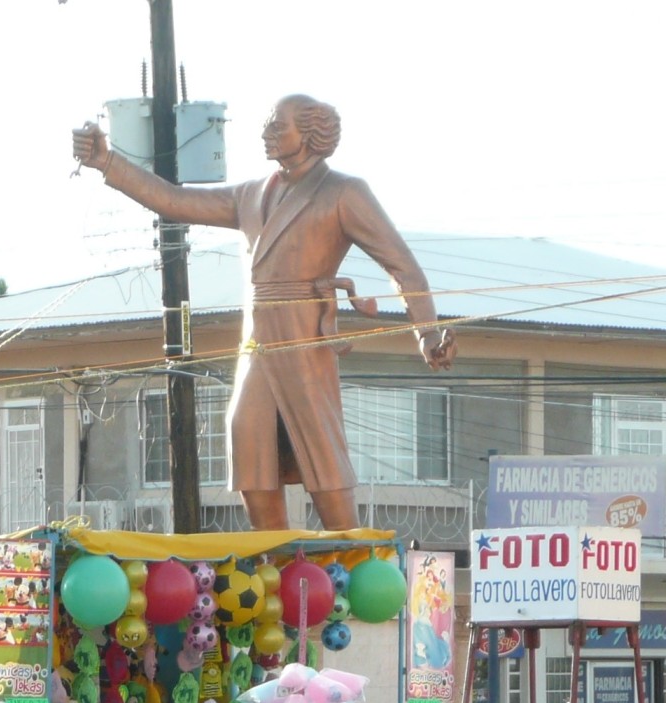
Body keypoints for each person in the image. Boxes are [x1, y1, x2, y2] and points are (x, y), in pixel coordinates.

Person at [72, 95, 456, 532]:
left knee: (323, 459)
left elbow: (402, 264)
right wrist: (108, 162)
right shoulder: (252, 194)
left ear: (310, 135)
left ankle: (352, 556)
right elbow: (173, 200)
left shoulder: (343, 192)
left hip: (304, 338)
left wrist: (426, 334)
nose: (266, 134)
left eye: (278, 126)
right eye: (268, 126)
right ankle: (274, 563)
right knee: (248, 445)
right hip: (256, 344)